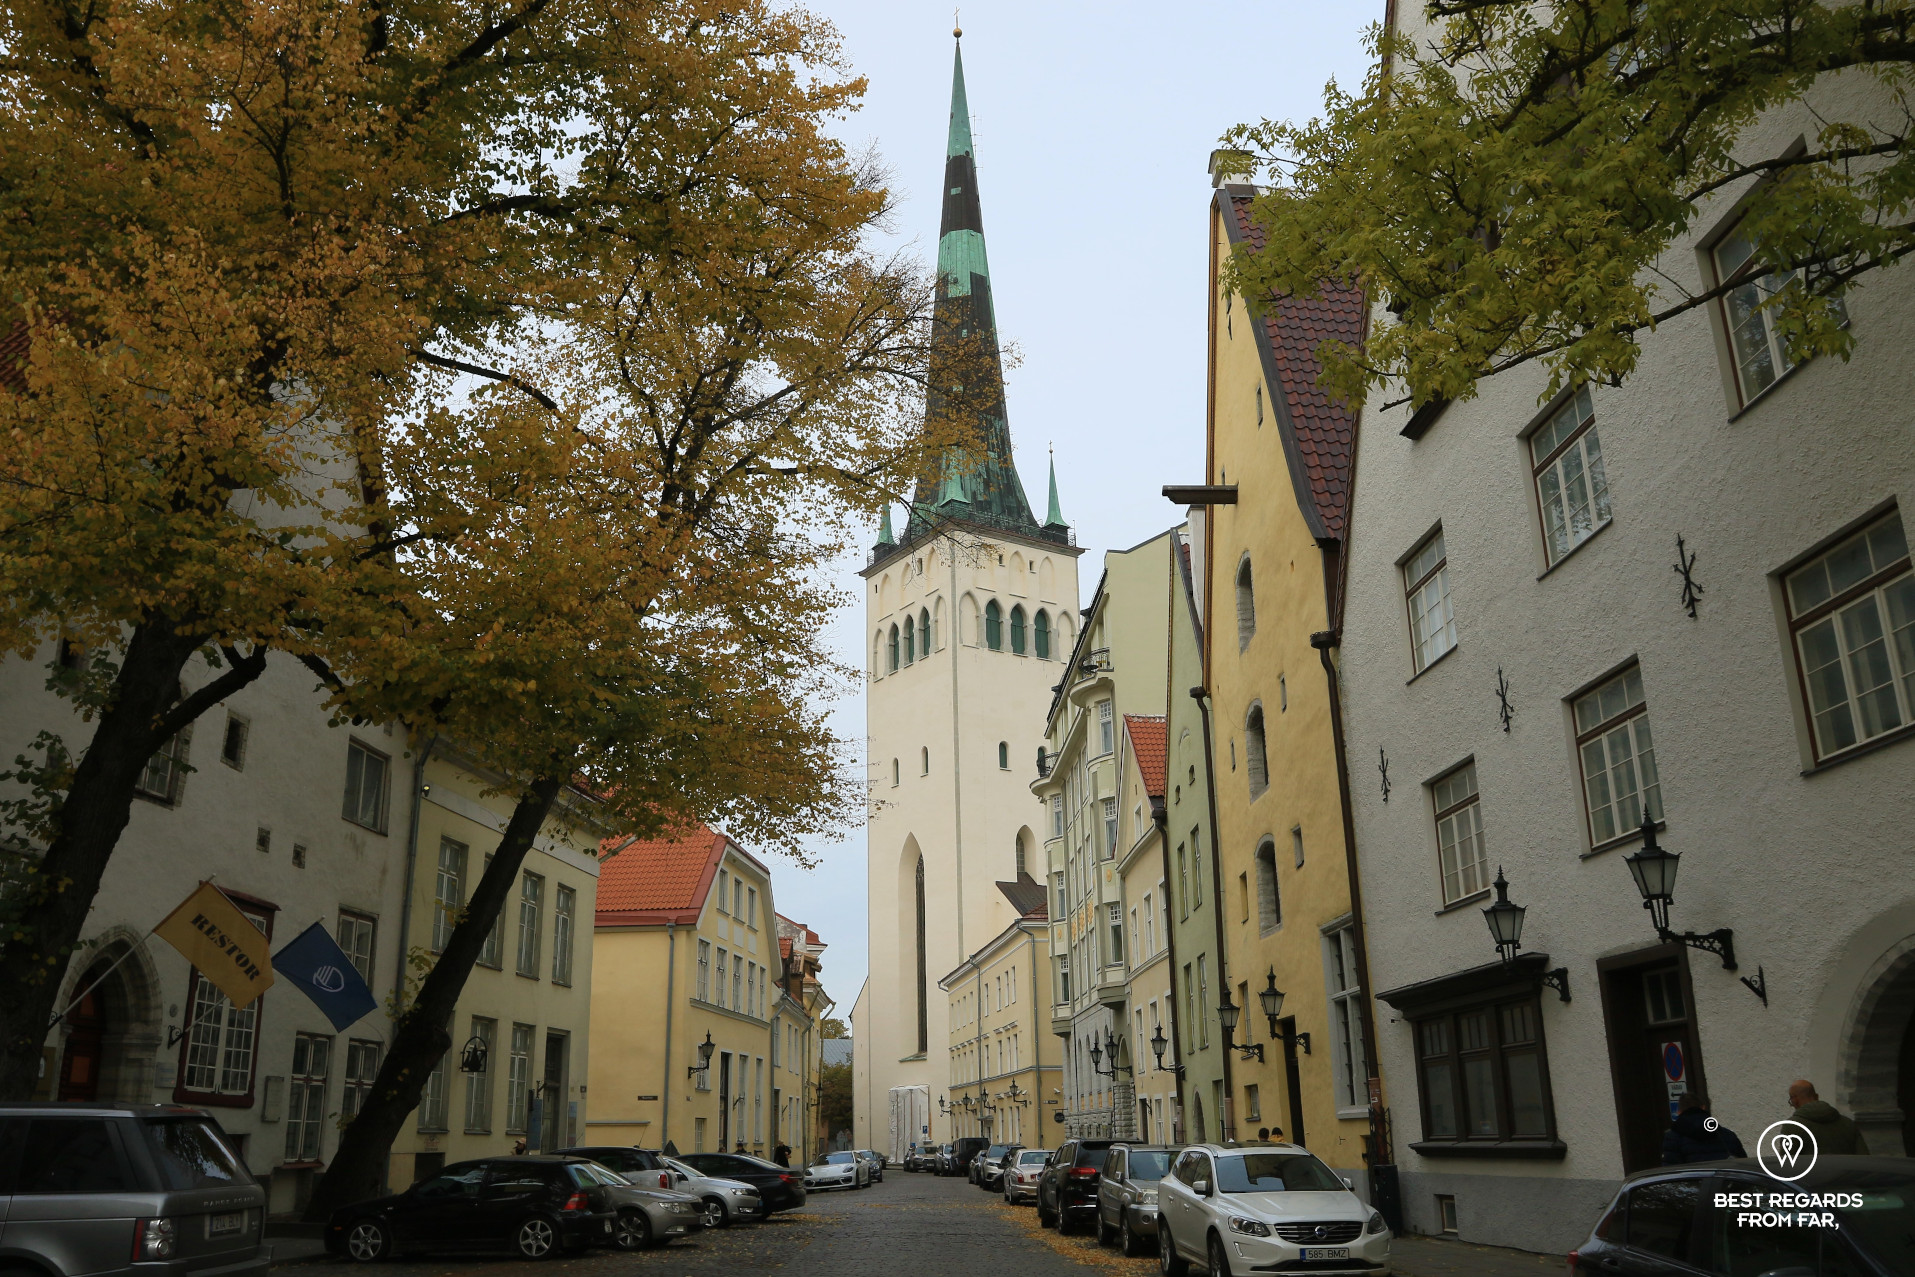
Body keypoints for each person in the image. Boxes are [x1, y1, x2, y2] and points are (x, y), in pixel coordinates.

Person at [1789, 1080, 1869, 1154]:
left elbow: (1786, 1163)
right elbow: (1864, 1159)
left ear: (1795, 1100)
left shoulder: (1793, 1126)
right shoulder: (1848, 1124)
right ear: (1816, 1096)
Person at [1662, 1098, 1745, 1164]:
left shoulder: (1672, 1138)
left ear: (1679, 1112)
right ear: (1703, 1108)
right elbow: (1743, 1165)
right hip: (1723, 1184)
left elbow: (1670, 1172)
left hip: (1693, 1184)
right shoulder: (1728, 1135)